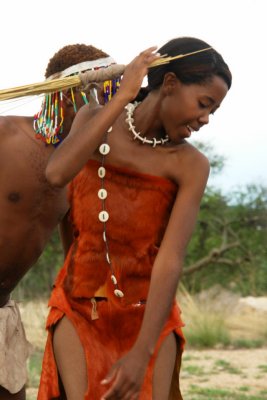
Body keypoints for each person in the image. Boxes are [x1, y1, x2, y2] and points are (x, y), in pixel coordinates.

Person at [38, 36, 232, 400]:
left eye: (213, 111)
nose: (205, 119)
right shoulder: (95, 121)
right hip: (80, 307)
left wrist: (143, 350)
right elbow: (57, 173)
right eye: (204, 104)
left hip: (150, 318)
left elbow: (170, 260)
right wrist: (123, 97)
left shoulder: (191, 165)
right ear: (170, 83)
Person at [0, 43, 119, 400]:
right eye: (106, 95)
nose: (113, 109)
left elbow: (78, 258)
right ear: (68, 96)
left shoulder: (83, 170)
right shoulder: (6, 136)